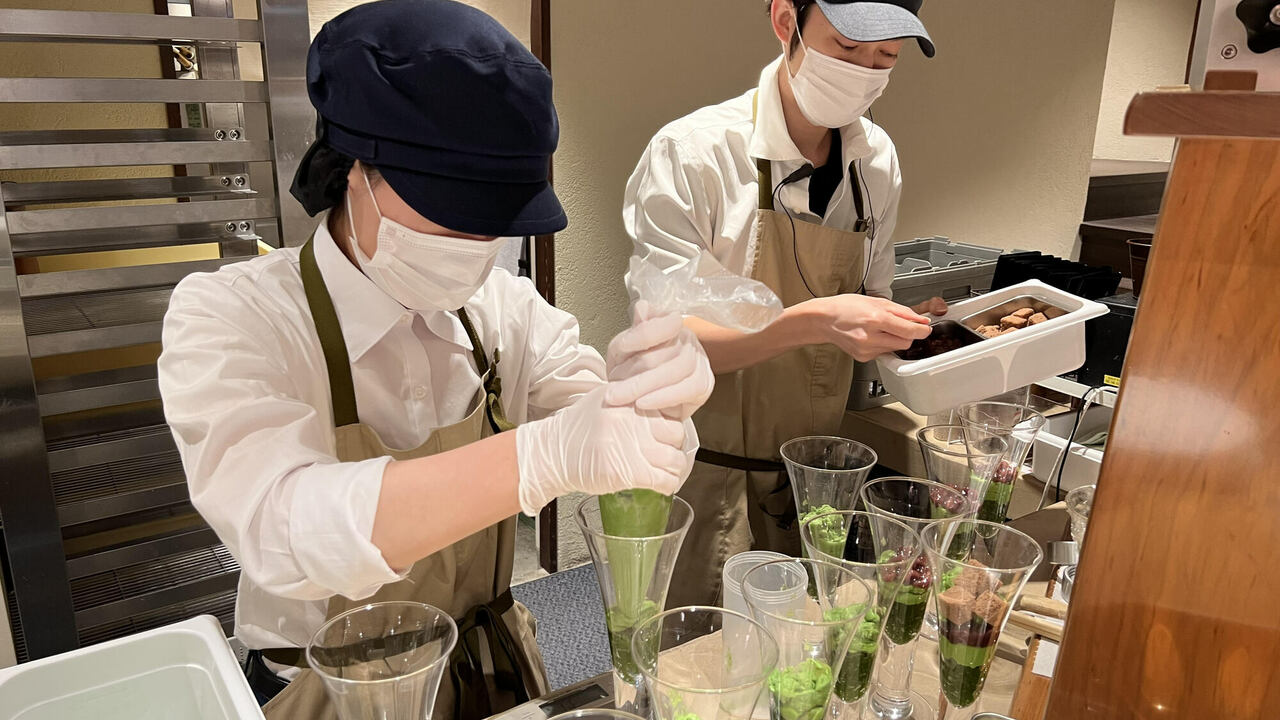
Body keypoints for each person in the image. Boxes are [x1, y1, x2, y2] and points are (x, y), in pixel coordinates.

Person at [157, 2, 711, 718]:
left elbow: (585, 402)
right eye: (452, 209)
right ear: (354, 169)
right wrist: (537, 458)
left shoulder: (502, 312)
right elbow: (283, 524)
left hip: (492, 674)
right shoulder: (235, 317)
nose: (477, 242)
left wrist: (651, 399)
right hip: (334, 692)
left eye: (498, 219)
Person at [623, 0, 945, 608]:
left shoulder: (875, 162)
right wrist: (818, 320)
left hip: (817, 482)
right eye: (848, 49)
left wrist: (918, 329)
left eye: (886, 57)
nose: (865, 71)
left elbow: (871, 296)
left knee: (800, 666)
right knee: (698, 672)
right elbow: (665, 344)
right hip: (705, 476)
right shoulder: (695, 155)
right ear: (784, 21)